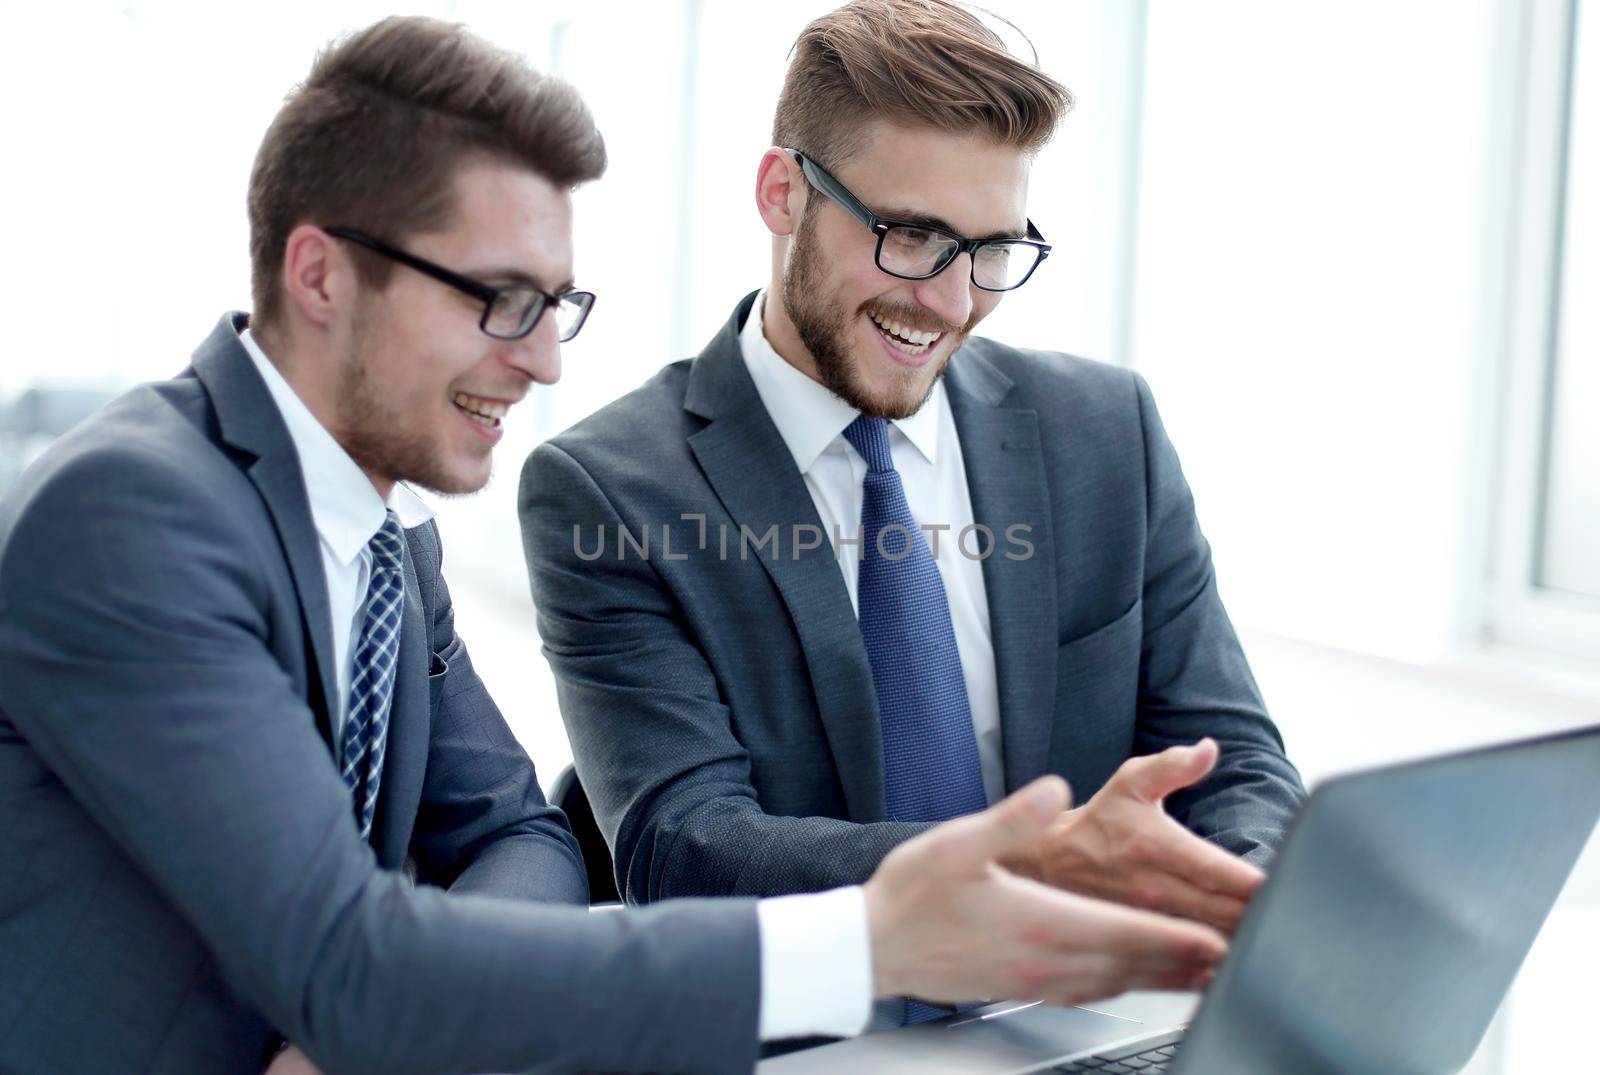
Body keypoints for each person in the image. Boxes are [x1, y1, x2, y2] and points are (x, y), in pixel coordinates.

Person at [0, 16, 1227, 1075]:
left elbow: (516, 835)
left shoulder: (381, 536)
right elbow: (378, 948)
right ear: (321, 274)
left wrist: (386, 1009)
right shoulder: (131, 514)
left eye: (557, 306)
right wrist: (871, 936)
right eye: (502, 301)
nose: (543, 361)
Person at [518, 0, 1305, 1023]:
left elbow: (1234, 760)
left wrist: (1246, 898)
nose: (950, 300)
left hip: (1074, 1031)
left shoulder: (1106, 434)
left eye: (990, 250)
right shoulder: (612, 489)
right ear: (782, 193)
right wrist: (1039, 868)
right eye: (911, 237)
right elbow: (684, 847)